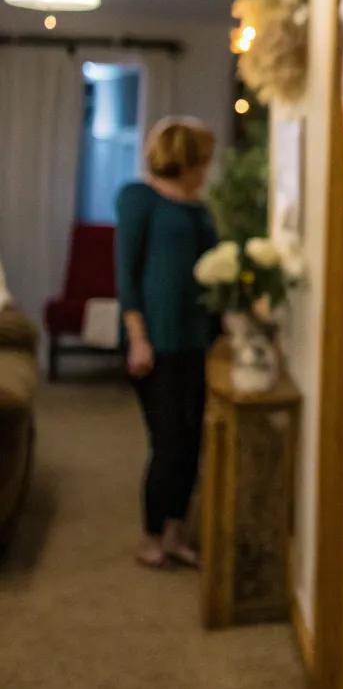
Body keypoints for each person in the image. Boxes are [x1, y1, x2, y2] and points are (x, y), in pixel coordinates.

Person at [116, 117, 218, 570]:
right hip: (156, 342)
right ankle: (151, 534)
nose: (208, 167)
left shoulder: (199, 209)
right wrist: (138, 339)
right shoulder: (141, 200)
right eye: (203, 158)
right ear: (186, 158)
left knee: (193, 440)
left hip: (197, 341)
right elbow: (127, 275)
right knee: (169, 442)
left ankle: (176, 530)